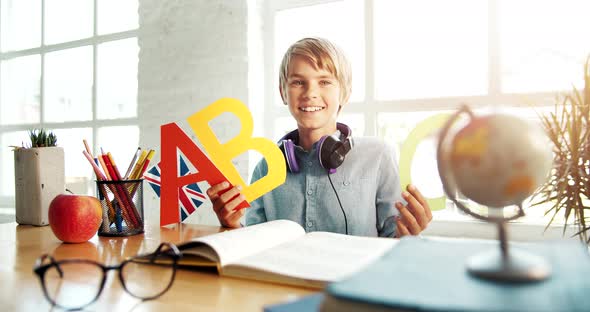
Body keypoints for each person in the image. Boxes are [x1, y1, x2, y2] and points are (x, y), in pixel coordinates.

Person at [206, 37, 432, 237]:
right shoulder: (266, 168)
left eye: (324, 81)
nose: (310, 93)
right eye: (297, 82)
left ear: (344, 93)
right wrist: (232, 225)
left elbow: (394, 239)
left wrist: (408, 234)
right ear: (283, 92)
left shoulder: (378, 156)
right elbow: (253, 244)